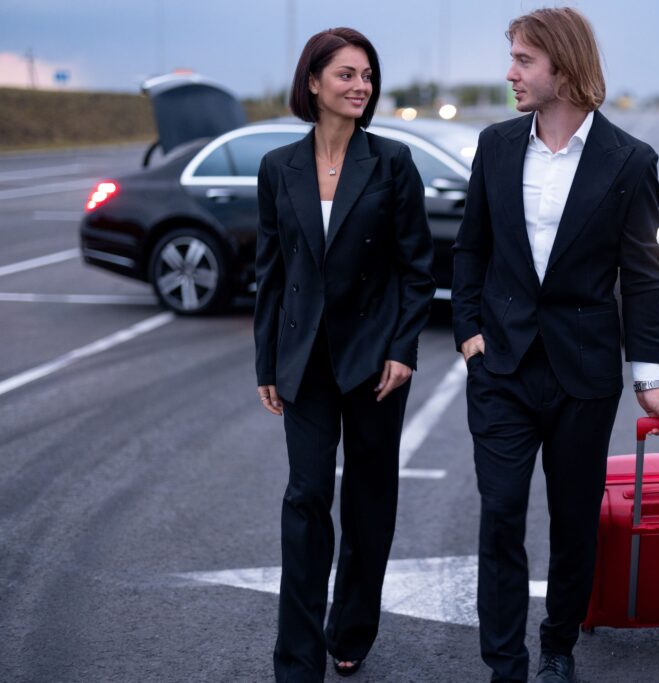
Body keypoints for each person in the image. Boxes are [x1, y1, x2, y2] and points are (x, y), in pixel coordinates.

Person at [451, 8, 659, 683]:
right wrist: (470, 337)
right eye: (512, 57)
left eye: (524, 59)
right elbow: (470, 249)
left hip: (583, 374)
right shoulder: (494, 145)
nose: (510, 72)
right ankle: (505, 663)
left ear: (564, 67)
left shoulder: (628, 161)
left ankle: (558, 645)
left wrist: (647, 376)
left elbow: (642, 278)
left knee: (574, 519)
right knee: (499, 514)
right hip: (501, 367)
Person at [253, 27, 434, 682]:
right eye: (346, 75)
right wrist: (266, 361)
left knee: (367, 498)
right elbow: (271, 273)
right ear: (312, 83)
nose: (360, 86)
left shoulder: (392, 164)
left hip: (375, 360)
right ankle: (296, 659)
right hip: (303, 360)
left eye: (367, 76)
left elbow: (418, 269)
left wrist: (403, 348)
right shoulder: (279, 167)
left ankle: (352, 626)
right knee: (305, 498)